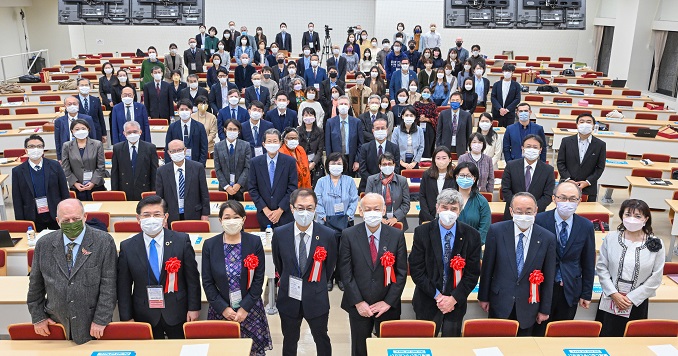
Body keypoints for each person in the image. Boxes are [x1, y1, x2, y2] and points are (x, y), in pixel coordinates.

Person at [27, 199, 117, 344]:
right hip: (56, 323)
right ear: (57, 221)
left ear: (85, 217)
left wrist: (101, 319)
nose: (71, 223)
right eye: (66, 220)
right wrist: (38, 317)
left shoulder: (104, 242)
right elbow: (35, 285)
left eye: (76, 219)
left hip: (93, 324)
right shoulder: (44, 244)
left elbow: (109, 285)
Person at [117, 195, 201, 339]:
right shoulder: (128, 246)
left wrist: (194, 308)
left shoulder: (181, 241)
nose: (151, 219)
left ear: (165, 217)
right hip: (144, 314)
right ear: (138, 218)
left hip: (177, 310)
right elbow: (123, 286)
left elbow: (192, 279)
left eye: (157, 214)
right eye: (146, 215)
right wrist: (126, 317)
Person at [478, 192, 557, 336]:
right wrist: (483, 297)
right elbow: (487, 268)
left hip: (529, 306)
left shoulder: (547, 238)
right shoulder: (496, 231)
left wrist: (545, 309)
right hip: (500, 301)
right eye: (519, 211)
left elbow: (549, 276)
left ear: (536, 211)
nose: (524, 215)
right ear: (511, 211)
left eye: (528, 211)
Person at [339, 193, 407, 356]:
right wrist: (359, 302)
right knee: (359, 349)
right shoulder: (348, 235)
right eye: (367, 209)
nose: (372, 212)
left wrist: (388, 302)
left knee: (387, 349)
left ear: (384, 210)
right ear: (360, 212)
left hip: (387, 305)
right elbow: (345, 273)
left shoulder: (396, 235)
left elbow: (401, 272)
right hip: (359, 305)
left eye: (376, 209)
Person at [272, 188, 337, 356]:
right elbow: (279, 264)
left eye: (310, 208)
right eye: (300, 208)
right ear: (292, 208)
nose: (305, 212)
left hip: (316, 296)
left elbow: (329, 268)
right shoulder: (280, 234)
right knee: (289, 340)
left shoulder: (328, 235)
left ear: (315, 208)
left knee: (321, 339)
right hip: (289, 297)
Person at [409, 188, 482, 336]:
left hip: (455, 303)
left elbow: (472, 273)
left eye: (453, 208)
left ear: (460, 211)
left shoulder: (472, 235)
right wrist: (438, 296)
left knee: (450, 348)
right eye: (444, 207)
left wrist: (453, 299)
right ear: (437, 207)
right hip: (427, 300)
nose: (448, 211)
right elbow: (417, 270)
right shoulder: (422, 232)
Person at [203, 200, 272, 354]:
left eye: (236, 217)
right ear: (220, 221)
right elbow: (207, 282)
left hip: (249, 309)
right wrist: (224, 309)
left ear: (243, 219)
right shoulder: (210, 245)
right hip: (221, 310)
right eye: (227, 218)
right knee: (224, 351)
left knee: (252, 350)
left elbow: (258, 280)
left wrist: (244, 308)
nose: (231, 221)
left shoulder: (254, 243)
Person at [532, 181, 596, 336]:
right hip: (542, 287)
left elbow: (588, 261)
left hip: (570, 288)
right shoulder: (539, 220)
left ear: (579, 201)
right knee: (538, 332)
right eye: (563, 198)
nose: (567, 202)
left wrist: (586, 293)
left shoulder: (585, 226)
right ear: (554, 198)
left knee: (561, 333)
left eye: (573, 199)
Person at [595, 199, 665, 337]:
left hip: (637, 303)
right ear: (622, 216)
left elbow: (656, 276)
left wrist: (631, 298)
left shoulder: (656, 243)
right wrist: (614, 294)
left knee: (632, 340)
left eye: (638, 216)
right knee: (607, 337)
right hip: (611, 299)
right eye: (628, 214)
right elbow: (602, 267)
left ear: (646, 219)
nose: (632, 219)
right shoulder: (611, 238)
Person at [12, 134, 70, 231]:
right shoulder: (17, 171)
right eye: (31, 146)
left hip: (55, 213)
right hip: (32, 215)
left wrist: (67, 213)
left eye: (39, 146)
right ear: (26, 150)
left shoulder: (55, 166)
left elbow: (64, 191)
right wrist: (21, 223)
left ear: (43, 149)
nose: (35, 149)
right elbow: (17, 199)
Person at [248, 128, 298, 229]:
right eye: (269, 141)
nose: (272, 144)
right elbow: (252, 188)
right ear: (263, 144)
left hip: (284, 214)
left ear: (280, 143)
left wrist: (280, 210)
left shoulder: (290, 162)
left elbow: (292, 188)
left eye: (275, 141)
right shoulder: (255, 162)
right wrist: (265, 210)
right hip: (264, 214)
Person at [156, 139, 210, 225]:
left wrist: (205, 214)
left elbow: (204, 193)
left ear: (185, 150)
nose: (176, 153)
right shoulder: (162, 171)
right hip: (171, 215)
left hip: (194, 213)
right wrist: (162, 217)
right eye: (173, 151)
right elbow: (160, 197)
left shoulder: (197, 167)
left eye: (179, 150)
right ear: (169, 153)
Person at [501, 134, 555, 220]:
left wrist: (532, 209)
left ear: (540, 150)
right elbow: (505, 189)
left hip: (537, 215)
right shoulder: (511, 166)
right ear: (523, 148)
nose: (531, 149)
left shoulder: (548, 170)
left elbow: (548, 195)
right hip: (513, 214)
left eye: (535, 147)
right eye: (528, 146)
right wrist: (517, 207)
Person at [557, 113, 607, 202]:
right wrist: (568, 179)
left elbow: (600, 167)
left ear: (593, 126)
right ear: (577, 125)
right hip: (567, 184)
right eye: (582, 122)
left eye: (588, 122)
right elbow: (560, 162)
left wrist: (587, 182)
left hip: (588, 187)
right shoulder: (566, 141)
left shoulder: (600, 144)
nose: (585, 124)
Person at [111, 121, 158, 201]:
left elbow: (154, 172)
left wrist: (154, 192)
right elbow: (115, 173)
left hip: (145, 190)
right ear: (124, 133)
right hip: (125, 190)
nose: (132, 134)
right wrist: (115, 193)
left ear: (140, 132)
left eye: (135, 132)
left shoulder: (150, 148)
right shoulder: (117, 148)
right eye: (129, 132)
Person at [61, 119, 106, 201]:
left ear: (88, 129)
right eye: (77, 129)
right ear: (72, 131)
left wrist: (93, 182)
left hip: (96, 185)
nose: (80, 131)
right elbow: (65, 167)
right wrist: (75, 183)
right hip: (77, 187)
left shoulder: (97, 144)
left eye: (83, 128)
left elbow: (101, 166)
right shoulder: (66, 146)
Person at [365, 152, 411, 230]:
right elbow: (368, 203)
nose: (387, 166)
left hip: (397, 220)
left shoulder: (402, 180)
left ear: (394, 165)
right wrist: (379, 218)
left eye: (389, 164)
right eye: (384, 164)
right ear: (379, 166)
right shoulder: (371, 180)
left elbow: (406, 204)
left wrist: (395, 217)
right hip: (376, 220)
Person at [453, 162, 492, 244]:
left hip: (473, 248)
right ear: (456, 177)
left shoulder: (482, 201)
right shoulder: (448, 199)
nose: (465, 178)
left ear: (474, 179)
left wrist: (472, 245)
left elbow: (484, 229)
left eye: (468, 176)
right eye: (462, 175)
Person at [325, 95, 364, 176]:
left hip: (351, 159)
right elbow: (328, 144)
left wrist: (357, 160)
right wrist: (330, 161)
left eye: (345, 104)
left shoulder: (357, 122)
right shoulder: (330, 122)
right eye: (341, 104)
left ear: (349, 106)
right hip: (336, 160)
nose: (343, 106)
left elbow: (360, 143)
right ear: (337, 106)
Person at [359, 117, 400, 192]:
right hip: (368, 185)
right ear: (373, 131)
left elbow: (396, 168)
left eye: (383, 128)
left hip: (390, 186)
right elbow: (362, 170)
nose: (380, 130)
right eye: (377, 128)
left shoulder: (394, 148)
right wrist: (375, 182)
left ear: (387, 130)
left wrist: (386, 180)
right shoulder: (365, 148)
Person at [213, 119, 251, 201]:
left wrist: (239, 184)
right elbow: (218, 169)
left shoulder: (246, 145)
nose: (232, 131)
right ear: (225, 129)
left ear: (239, 131)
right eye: (230, 129)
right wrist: (226, 186)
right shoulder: (217, 146)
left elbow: (247, 167)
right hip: (225, 188)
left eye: (235, 129)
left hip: (241, 188)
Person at [419, 147, 456, 224]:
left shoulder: (455, 175)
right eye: (438, 158)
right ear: (434, 160)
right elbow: (422, 195)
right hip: (428, 216)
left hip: (448, 216)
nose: (441, 161)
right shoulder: (427, 174)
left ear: (449, 159)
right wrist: (428, 216)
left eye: (444, 158)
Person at [165, 100, 208, 165]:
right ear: (178, 111)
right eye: (182, 109)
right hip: (177, 163)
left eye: (186, 109)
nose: (184, 112)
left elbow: (204, 148)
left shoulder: (199, 127)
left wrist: (201, 165)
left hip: (195, 163)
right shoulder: (172, 127)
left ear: (191, 110)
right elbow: (167, 148)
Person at [436, 92, 473, 156]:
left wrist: (468, 148)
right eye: (453, 100)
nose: (455, 102)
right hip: (445, 145)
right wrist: (438, 146)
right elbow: (439, 132)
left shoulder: (467, 115)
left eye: (457, 100)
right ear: (449, 101)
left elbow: (468, 133)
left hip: (461, 146)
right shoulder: (443, 114)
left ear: (461, 102)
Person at [391, 106, 424, 171]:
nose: (409, 117)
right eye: (406, 115)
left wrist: (415, 162)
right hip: (399, 162)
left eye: (411, 115)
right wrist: (401, 162)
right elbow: (393, 148)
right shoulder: (396, 130)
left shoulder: (419, 130)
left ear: (414, 117)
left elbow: (421, 147)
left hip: (414, 162)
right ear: (402, 116)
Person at [298, 108, 325, 185]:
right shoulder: (298, 130)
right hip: (301, 163)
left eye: (310, 115)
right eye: (306, 115)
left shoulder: (320, 131)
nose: (308, 117)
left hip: (316, 163)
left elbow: (320, 150)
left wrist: (313, 162)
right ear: (302, 117)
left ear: (314, 117)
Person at [75, 78, 107, 143]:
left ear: (90, 87)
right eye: (82, 85)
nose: (84, 87)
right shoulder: (73, 100)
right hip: (79, 132)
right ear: (77, 87)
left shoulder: (96, 100)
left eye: (86, 85)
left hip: (95, 131)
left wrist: (104, 133)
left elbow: (100, 118)